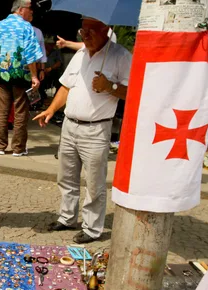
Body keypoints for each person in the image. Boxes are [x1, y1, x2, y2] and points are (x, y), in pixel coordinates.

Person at [34, 17, 131, 244]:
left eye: (90, 31)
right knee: (66, 178)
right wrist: (51, 109)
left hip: (96, 130)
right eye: (82, 31)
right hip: (70, 125)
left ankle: (92, 228)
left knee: (94, 183)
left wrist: (111, 86)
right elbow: (66, 86)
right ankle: (67, 218)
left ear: (106, 30)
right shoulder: (80, 54)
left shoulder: (121, 56)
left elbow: (134, 91)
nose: (84, 36)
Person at [0, 0, 43, 157]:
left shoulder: (0, 25)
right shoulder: (27, 27)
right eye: (30, 9)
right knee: (21, 110)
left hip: (3, 72)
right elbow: (31, 54)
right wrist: (34, 75)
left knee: (2, 109)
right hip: (21, 74)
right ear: (21, 10)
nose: (32, 12)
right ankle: (18, 148)